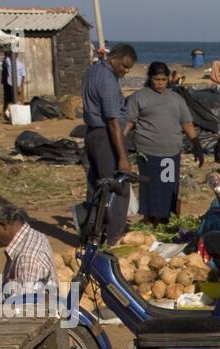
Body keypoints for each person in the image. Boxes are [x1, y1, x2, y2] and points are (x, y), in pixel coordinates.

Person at [126, 61, 204, 223]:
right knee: (150, 188)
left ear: (168, 79)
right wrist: (119, 146)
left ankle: (166, 220)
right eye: (156, 79)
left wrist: (196, 144)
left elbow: (186, 122)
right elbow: (129, 123)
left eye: (163, 79)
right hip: (147, 153)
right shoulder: (138, 97)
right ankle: (150, 219)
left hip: (171, 153)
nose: (160, 83)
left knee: (168, 188)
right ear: (150, 78)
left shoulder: (176, 99)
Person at [81, 44, 136, 245]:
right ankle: (114, 237)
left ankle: (93, 234)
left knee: (97, 186)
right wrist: (122, 157)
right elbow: (113, 122)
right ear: (113, 59)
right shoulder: (108, 81)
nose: (126, 71)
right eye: (124, 66)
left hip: (92, 134)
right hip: (105, 135)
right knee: (118, 185)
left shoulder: (93, 71)